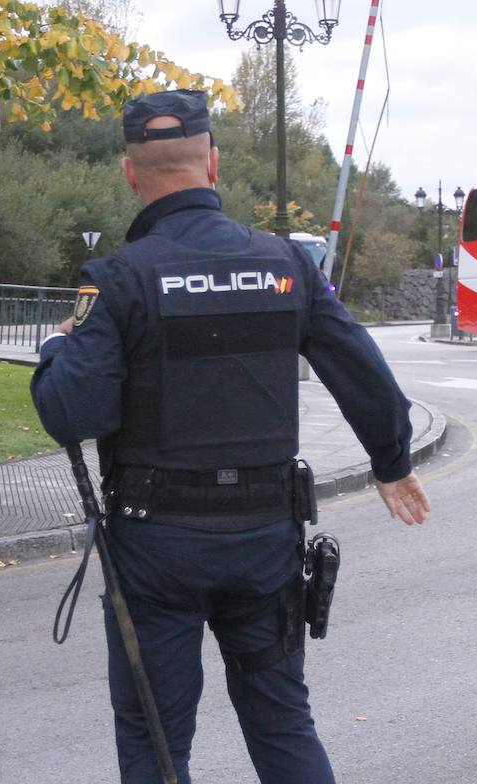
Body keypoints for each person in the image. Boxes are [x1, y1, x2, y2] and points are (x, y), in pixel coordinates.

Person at [30, 90, 430, 784]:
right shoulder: (288, 266)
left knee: (156, 743)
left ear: (131, 173)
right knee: (281, 723)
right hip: (264, 540)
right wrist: (390, 460)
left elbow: (72, 413)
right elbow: (358, 363)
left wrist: (56, 350)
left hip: (156, 547)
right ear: (212, 162)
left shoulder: (119, 279)